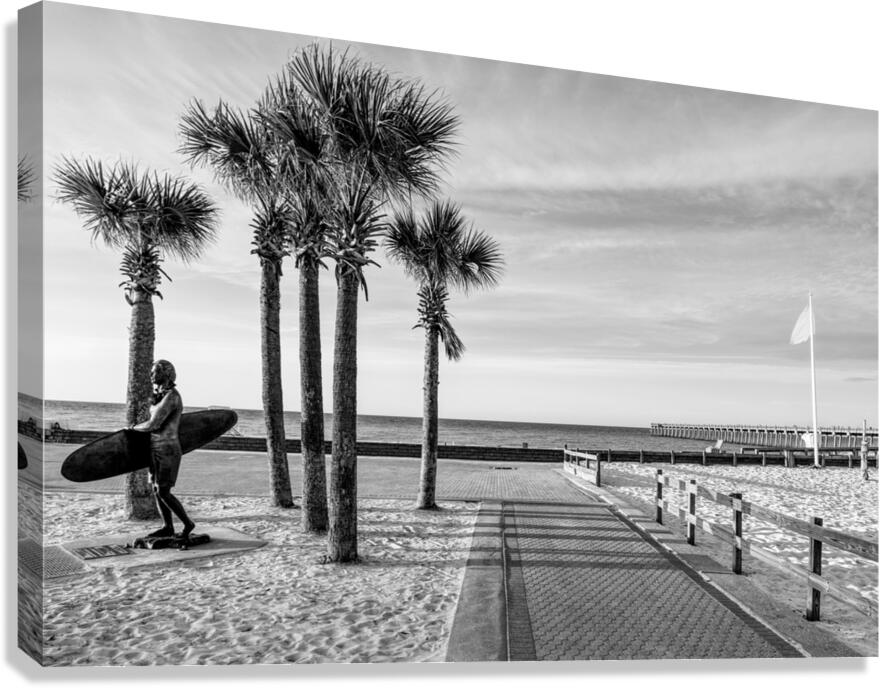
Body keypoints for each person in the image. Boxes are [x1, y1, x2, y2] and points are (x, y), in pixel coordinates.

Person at [129, 359, 195, 539]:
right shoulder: (161, 395)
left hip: (168, 449)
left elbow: (153, 424)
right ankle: (168, 527)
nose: (151, 375)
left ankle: (188, 524)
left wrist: (132, 428)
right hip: (155, 448)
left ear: (165, 374)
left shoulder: (172, 396)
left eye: (154, 372)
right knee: (157, 490)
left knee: (164, 491)